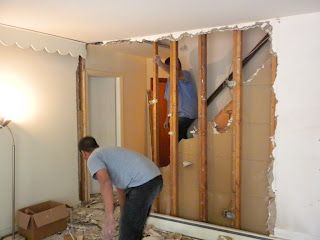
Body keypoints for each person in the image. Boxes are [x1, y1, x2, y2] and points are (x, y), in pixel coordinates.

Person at [78, 136, 163, 240]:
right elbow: (121, 189)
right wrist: (124, 215)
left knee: (127, 235)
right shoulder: (109, 153)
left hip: (142, 184)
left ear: (83, 153)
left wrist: (109, 218)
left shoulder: (93, 157)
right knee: (134, 228)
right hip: (155, 179)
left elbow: (105, 183)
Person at [154, 55, 198, 141]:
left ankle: (176, 154)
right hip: (177, 116)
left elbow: (176, 74)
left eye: (176, 63)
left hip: (186, 114)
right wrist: (167, 119)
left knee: (176, 141)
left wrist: (160, 64)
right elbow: (170, 101)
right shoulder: (169, 81)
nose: (175, 66)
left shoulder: (185, 74)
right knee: (181, 142)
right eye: (171, 65)